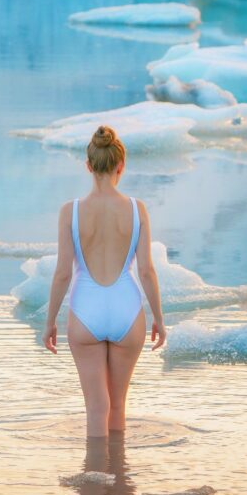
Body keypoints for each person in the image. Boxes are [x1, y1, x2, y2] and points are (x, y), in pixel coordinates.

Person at [42, 124, 166, 437]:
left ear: (88, 166)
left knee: (96, 409)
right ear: (121, 166)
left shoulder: (70, 211)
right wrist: (159, 320)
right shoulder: (138, 209)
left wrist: (50, 322)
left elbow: (63, 273)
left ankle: (94, 479)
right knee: (118, 406)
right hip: (126, 309)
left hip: (86, 310)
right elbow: (147, 271)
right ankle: (120, 481)